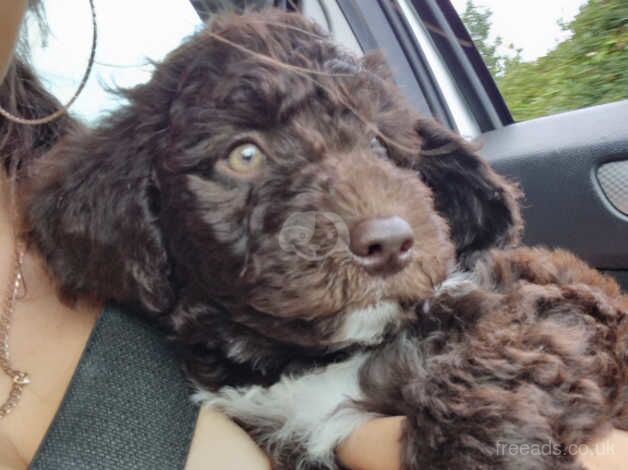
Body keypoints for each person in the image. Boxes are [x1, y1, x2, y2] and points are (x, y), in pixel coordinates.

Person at [0, 1, 625, 469]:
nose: (378, 223)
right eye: (245, 156)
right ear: (140, 217)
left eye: (375, 143)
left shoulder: (488, 323)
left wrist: (476, 437)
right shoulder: (106, 232)